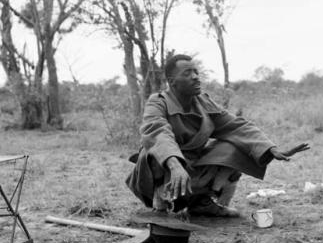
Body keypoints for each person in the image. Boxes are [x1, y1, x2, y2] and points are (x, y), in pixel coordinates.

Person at [126, 54, 309, 217]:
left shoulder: (203, 102)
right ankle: (161, 206)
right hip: (167, 169)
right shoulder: (157, 102)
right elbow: (157, 132)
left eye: (196, 72)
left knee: (238, 146)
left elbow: (235, 126)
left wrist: (270, 148)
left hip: (194, 166)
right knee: (154, 152)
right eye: (187, 73)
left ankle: (205, 204)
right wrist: (174, 164)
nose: (195, 77)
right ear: (172, 81)